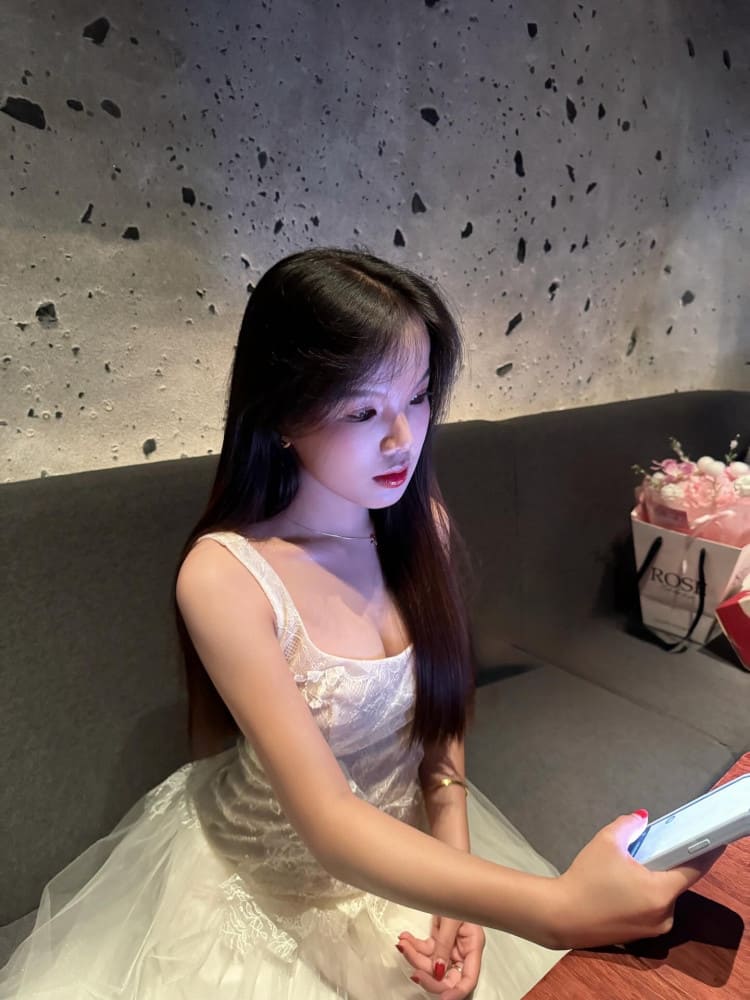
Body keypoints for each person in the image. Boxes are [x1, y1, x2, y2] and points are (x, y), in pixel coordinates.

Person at [0, 247, 722, 999]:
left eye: (417, 398)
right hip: (281, 884)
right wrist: (554, 911)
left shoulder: (418, 523)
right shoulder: (225, 579)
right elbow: (330, 822)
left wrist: (458, 879)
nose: (403, 438)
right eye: (362, 410)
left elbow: (440, 723)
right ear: (281, 411)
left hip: (404, 848)